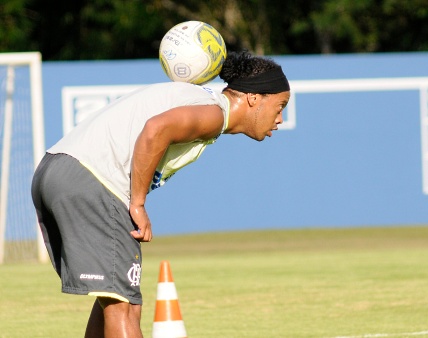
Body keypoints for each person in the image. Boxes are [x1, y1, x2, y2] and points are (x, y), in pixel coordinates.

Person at [31, 50, 290, 338]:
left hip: (54, 172)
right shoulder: (214, 113)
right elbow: (156, 129)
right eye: (280, 106)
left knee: (114, 299)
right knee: (125, 307)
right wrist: (138, 203)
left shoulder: (201, 102)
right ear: (254, 98)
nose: (280, 118)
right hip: (90, 180)